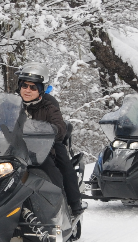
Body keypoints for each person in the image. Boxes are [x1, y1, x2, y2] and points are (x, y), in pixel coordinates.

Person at [16, 63, 86, 217]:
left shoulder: (48, 106)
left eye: (33, 87)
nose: (28, 90)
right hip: (14, 150)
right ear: (19, 86)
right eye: (25, 86)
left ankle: (69, 204)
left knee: (62, 166)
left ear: (40, 89)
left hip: (42, 149)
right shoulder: (11, 105)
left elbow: (59, 125)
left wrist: (53, 129)